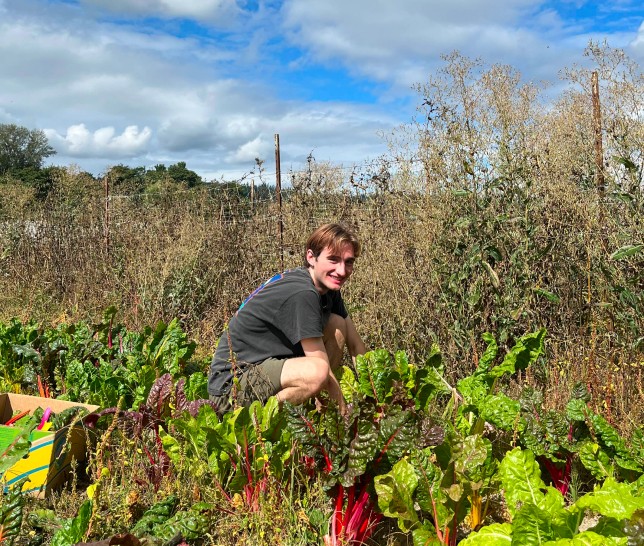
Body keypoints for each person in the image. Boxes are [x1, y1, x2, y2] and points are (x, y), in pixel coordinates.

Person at [208, 223, 366, 414]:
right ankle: (259, 425)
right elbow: (319, 365)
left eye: (348, 262)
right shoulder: (303, 293)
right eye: (333, 259)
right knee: (316, 373)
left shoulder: (326, 287)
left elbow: (356, 346)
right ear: (311, 257)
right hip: (232, 388)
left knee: (337, 325)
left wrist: (374, 392)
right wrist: (347, 421)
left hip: (265, 367)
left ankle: (318, 413)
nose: (341, 271)